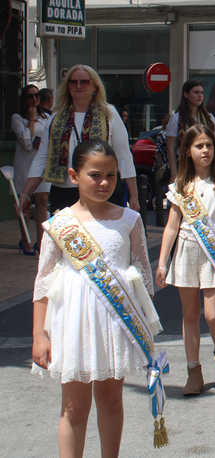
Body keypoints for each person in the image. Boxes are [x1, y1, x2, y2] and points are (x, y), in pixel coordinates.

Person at [31, 140, 160, 457]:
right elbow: (43, 281)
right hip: (72, 321)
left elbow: (143, 274)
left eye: (111, 175)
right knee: (73, 407)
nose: (104, 183)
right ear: (74, 176)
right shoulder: (60, 225)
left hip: (114, 323)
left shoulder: (129, 220)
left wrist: (143, 322)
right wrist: (39, 335)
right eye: (95, 175)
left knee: (111, 400)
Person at [156, 124, 215, 395]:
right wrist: (162, 261)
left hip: (214, 252)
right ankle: (194, 370)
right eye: (199, 146)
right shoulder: (180, 186)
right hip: (186, 250)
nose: (205, 151)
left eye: (209, 145)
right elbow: (172, 226)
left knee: (213, 315)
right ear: (188, 151)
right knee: (189, 314)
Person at [20, 65, 139, 215]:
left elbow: (123, 156)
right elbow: (42, 157)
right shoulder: (56, 118)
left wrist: (134, 196)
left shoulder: (109, 114)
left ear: (95, 86)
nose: (78, 86)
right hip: (64, 192)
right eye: (73, 82)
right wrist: (26, 193)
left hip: (102, 191)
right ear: (67, 86)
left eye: (84, 82)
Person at [12, 85, 49, 254]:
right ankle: (25, 240)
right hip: (25, 166)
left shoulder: (46, 118)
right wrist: (32, 120)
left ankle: (41, 243)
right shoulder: (17, 119)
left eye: (36, 96)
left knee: (42, 201)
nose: (34, 100)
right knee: (24, 204)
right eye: (30, 96)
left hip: (41, 165)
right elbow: (27, 143)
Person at [165, 80, 215, 180]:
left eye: (202, 93)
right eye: (196, 92)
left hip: (207, 167)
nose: (200, 96)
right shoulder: (176, 118)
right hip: (185, 167)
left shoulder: (209, 118)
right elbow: (170, 148)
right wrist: (174, 173)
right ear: (186, 94)